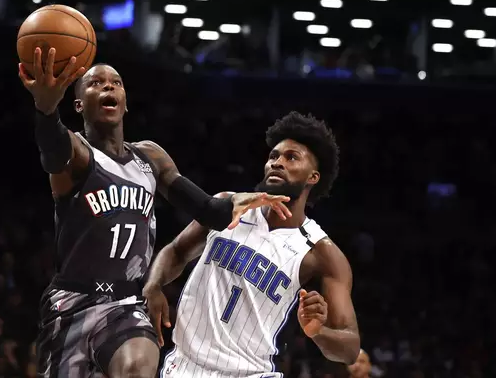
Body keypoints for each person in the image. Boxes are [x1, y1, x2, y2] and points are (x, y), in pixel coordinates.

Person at [18, 48, 292, 378]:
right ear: (78, 104)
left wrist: (232, 203)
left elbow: (206, 209)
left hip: (125, 304)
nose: (108, 87)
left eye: (116, 83)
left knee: (138, 368)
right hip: (71, 303)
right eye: (96, 83)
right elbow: (52, 151)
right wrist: (46, 109)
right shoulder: (77, 153)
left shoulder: (150, 157)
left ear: (125, 102)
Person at [144, 111, 361, 377]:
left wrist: (318, 331)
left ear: (313, 177)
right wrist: (154, 285)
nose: (277, 163)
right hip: (183, 365)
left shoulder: (321, 253)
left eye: (291, 157)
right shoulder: (227, 205)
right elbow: (177, 250)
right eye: (273, 156)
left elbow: (349, 348)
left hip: (251, 373)